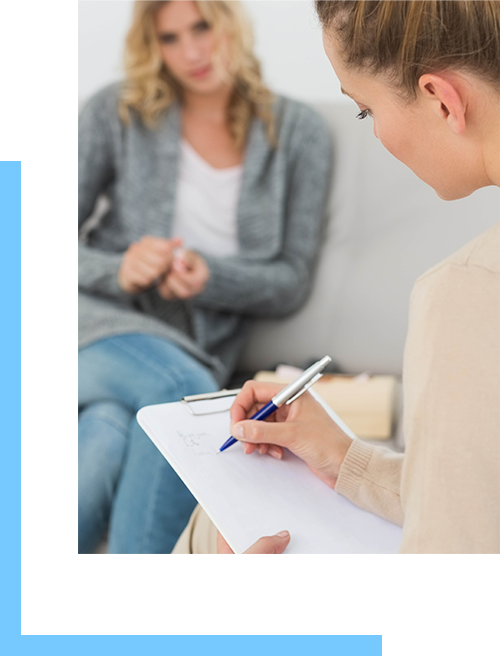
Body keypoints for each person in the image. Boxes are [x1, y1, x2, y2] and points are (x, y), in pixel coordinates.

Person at [230, 0, 500, 635]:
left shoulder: (469, 291)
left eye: (365, 107)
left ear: (441, 99)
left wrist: (264, 616)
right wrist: (347, 459)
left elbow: (454, 600)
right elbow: (476, 502)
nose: (374, 133)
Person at [78, 0, 331, 635]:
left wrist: (212, 279)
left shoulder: (298, 132)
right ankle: (142, 630)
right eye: (169, 37)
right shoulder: (116, 112)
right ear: (152, 47)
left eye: (202, 26)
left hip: (186, 349)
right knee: (170, 397)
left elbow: (289, 280)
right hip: (95, 325)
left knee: (109, 439)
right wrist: (121, 270)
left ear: (231, 25)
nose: (191, 49)